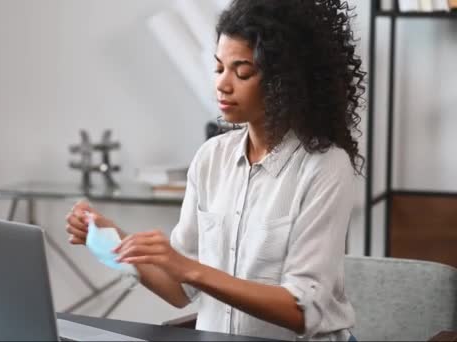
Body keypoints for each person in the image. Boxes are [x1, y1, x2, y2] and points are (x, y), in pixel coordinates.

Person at [65, 0, 365, 340]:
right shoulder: (211, 158)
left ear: (286, 80)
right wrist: (112, 239)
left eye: (242, 72)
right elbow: (179, 290)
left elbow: (303, 309)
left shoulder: (324, 167)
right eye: (219, 67)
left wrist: (191, 270)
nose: (223, 84)